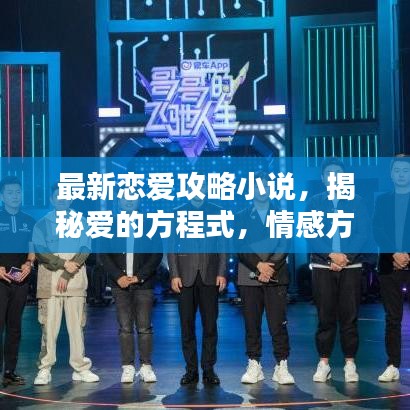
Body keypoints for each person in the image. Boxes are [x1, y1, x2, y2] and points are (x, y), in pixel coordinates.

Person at [308, 158, 369, 383]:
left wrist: (345, 257)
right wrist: (330, 255)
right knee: (325, 317)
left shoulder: (357, 201)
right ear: (323, 178)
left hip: (351, 266)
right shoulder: (314, 202)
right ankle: (324, 363)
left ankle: (350, 363)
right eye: (329, 173)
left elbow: (363, 233)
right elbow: (311, 232)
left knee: (349, 317)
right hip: (322, 266)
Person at [32, 184, 99, 385]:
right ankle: (45, 368)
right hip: (49, 284)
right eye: (58, 196)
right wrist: (63, 264)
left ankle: (80, 368)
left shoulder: (82, 222)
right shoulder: (42, 224)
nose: (61, 199)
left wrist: (68, 271)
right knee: (48, 328)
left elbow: (85, 248)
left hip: (75, 283)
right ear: (52, 199)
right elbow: (41, 252)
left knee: (77, 328)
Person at [236, 173, 295, 385]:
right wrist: (259, 265)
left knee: (278, 323)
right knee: (251, 324)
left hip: (276, 276)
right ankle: (254, 364)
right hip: (249, 277)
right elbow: (240, 245)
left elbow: (285, 243)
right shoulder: (241, 216)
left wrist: (269, 267)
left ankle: (282, 365)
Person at [101, 197, 162, 383]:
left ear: (138, 201)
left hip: (143, 284)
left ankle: (146, 366)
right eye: (125, 198)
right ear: (119, 201)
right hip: (119, 284)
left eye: (132, 198)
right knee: (125, 328)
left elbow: (156, 254)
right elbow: (103, 254)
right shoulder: (110, 224)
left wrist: (139, 277)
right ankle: (127, 367)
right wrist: (118, 276)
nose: (128, 202)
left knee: (144, 327)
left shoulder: (150, 223)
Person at [168, 194, 227, 385]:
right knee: (187, 325)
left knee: (210, 325)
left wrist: (222, 272)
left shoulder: (217, 211)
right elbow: (171, 246)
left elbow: (223, 244)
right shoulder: (177, 213)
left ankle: (209, 369)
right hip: (185, 277)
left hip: (210, 276)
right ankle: (191, 370)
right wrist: (174, 274)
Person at [373, 154, 410, 382]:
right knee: (392, 318)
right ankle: (393, 364)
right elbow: (377, 229)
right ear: (391, 174)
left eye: (405, 170)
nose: (401, 174)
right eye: (397, 171)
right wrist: (394, 253)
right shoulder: (383, 200)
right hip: (389, 265)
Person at [0, 176, 35, 387]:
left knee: (15, 328)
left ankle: (9, 371)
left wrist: (29, 264)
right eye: (10, 192)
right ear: (2, 195)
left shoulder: (28, 221)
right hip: (0, 282)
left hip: (20, 281)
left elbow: (32, 250)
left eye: (18, 192)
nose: (15, 196)